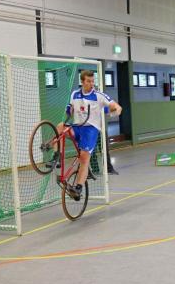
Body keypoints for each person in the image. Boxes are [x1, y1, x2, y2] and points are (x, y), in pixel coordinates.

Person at [50, 70, 122, 200]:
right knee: (60, 127)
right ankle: (56, 156)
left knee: (84, 158)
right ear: (82, 82)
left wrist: (116, 109)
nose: (91, 83)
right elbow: (70, 109)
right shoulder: (75, 94)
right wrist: (69, 110)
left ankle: (78, 187)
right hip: (77, 127)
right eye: (88, 81)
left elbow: (115, 105)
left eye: (93, 81)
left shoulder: (99, 96)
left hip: (90, 130)